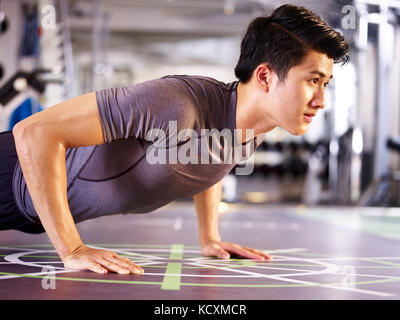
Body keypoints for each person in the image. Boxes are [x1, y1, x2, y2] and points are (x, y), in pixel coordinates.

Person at [0, 4, 349, 275]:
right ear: (264, 77)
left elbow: (208, 161)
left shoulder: (252, 129)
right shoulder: (174, 102)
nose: (321, 100)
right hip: (8, 173)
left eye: (325, 84)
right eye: (312, 80)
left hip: (28, 213)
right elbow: (35, 131)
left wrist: (209, 237)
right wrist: (72, 249)